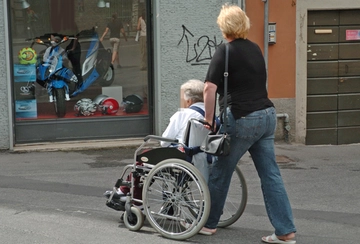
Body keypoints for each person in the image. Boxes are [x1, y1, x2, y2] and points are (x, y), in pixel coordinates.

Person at [200, 4, 297, 243]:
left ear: (224, 27)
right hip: (267, 115)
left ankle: (209, 224)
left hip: (242, 117)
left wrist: (209, 119)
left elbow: (209, 88)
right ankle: (285, 231)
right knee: (271, 175)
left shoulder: (225, 51)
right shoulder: (255, 48)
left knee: (221, 171)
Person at [104, 79, 212, 207]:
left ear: (189, 100)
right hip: (203, 159)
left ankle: (129, 196)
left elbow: (164, 141)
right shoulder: (209, 115)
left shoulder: (183, 114)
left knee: (143, 160)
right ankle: (124, 192)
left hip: (183, 158)